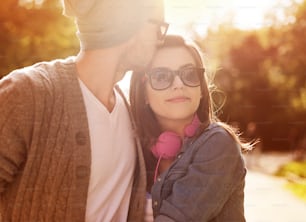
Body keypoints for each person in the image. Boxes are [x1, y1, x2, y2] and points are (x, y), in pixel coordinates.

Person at [0, 0, 168, 221]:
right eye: (158, 27)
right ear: (128, 24)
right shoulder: (29, 93)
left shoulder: (130, 113)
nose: (159, 39)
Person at [130, 35, 251, 221]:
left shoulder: (218, 143)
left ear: (201, 90)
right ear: (143, 93)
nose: (179, 84)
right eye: (161, 76)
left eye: (189, 74)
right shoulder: (133, 149)